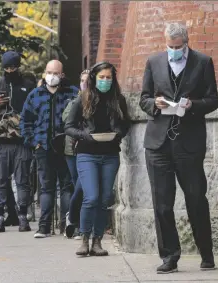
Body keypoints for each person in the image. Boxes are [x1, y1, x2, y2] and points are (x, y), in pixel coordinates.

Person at [139, 22, 218, 274]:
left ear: (186, 42)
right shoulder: (154, 62)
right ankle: (170, 256)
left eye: (178, 46)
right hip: (158, 143)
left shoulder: (203, 62)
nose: (173, 50)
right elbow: (143, 98)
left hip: (189, 143)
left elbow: (213, 100)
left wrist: (192, 105)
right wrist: (155, 103)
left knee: (195, 199)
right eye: (169, 46)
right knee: (162, 204)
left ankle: (206, 253)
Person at [65, 61, 130, 256]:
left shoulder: (118, 100)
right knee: (91, 197)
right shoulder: (82, 99)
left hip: (110, 154)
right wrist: (85, 136)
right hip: (87, 153)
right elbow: (69, 127)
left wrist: (118, 132)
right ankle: (84, 238)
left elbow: (125, 124)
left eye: (108, 77)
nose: (105, 80)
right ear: (94, 78)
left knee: (104, 199)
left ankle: (97, 241)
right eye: (101, 77)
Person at [20, 60, 78, 238]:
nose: (51, 76)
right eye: (49, 72)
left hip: (66, 147)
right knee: (46, 187)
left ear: (62, 75)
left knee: (67, 187)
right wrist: (34, 142)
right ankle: (44, 227)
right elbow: (25, 121)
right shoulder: (35, 95)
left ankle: (69, 226)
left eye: (55, 73)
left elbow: (81, 118)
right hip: (43, 148)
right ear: (45, 73)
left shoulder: (73, 93)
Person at [0, 51, 36, 233]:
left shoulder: (28, 86)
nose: (10, 70)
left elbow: (35, 112)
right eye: (7, 67)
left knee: (22, 181)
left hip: (21, 141)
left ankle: (22, 217)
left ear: (18, 66)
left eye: (13, 67)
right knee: (0, 182)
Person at [63, 69, 90, 239]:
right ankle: (79, 223)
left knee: (83, 188)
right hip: (71, 150)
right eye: (82, 80)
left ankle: (74, 219)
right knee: (77, 187)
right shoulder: (73, 100)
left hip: (89, 149)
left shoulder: (99, 100)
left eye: (88, 80)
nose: (85, 83)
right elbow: (66, 119)